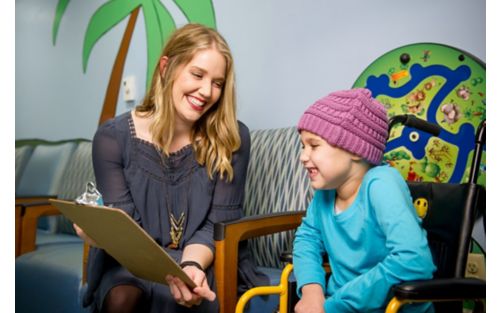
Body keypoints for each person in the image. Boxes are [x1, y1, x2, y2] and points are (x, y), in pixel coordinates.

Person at [74, 23, 267, 313]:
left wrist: (189, 266)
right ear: (166, 67)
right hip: (134, 262)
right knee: (121, 298)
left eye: (217, 83)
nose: (206, 92)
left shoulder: (233, 138)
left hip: (203, 260)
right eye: (197, 74)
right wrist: (97, 232)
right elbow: (126, 228)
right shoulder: (112, 138)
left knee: (185, 299)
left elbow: (217, 225)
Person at [292, 88, 436, 313]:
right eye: (303, 146)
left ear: (355, 151)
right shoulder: (326, 193)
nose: (302, 156)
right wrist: (312, 292)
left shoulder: (381, 185)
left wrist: (332, 306)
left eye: (314, 145)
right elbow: (307, 238)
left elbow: (414, 261)